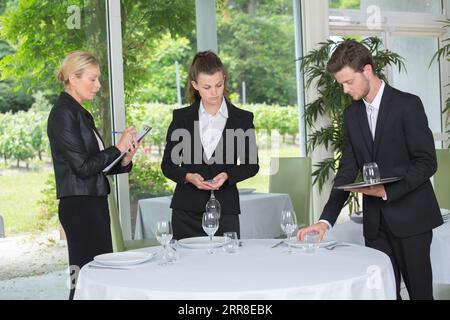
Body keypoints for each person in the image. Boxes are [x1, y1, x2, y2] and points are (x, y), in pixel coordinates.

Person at [297, 40, 443, 300]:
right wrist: (325, 221)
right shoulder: (352, 115)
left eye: (348, 81)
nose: (344, 89)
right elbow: (347, 170)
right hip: (375, 226)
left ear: (367, 70)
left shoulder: (408, 105)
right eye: (341, 83)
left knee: (421, 296)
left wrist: (388, 190)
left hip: (413, 222)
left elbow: (427, 162)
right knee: (384, 296)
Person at [47, 51, 140, 300]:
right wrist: (118, 147)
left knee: (96, 278)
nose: (98, 85)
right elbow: (83, 167)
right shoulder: (63, 114)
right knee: (84, 281)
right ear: (73, 78)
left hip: (91, 204)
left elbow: (98, 166)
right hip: (80, 208)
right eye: (93, 79)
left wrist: (125, 159)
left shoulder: (78, 112)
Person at [161, 50, 259, 240]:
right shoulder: (181, 119)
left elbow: (251, 165)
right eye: (207, 87)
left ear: (224, 79)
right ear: (195, 85)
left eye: (219, 85)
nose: (214, 92)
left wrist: (227, 175)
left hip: (226, 211)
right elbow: (168, 165)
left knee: (226, 268)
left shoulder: (243, 119)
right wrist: (189, 177)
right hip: (186, 212)